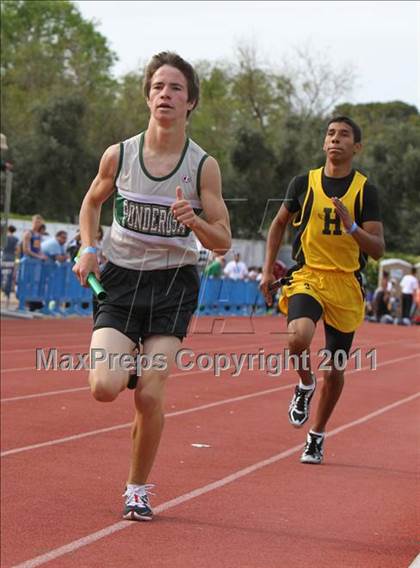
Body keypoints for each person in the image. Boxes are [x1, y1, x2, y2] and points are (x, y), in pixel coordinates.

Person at [73, 51, 231, 521]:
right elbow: (90, 202)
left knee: (151, 394)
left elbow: (221, 240)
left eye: (176, 88)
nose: (166, 94)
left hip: (173, 285)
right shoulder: (120, 154)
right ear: (148, 96)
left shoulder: (202, 166)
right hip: (120, 279)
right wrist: (87, 246)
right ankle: (134, 370)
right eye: (159, 86)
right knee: (104, 386)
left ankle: (137, 489)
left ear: (191, 103)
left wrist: (196, 222)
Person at [261, 116, 384, 464]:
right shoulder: (304, 183)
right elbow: (278, 225)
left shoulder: (365, 190)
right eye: (330, 134)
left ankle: (316, 435)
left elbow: (377, 249)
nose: (335, 139)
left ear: (356, 147)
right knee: (298, 337)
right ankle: (304, 384)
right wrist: (268, 270)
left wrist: (352, 226)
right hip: (309, 276)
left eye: (344, 135)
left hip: (346, 283)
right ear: (323, 142)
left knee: (335, 367)